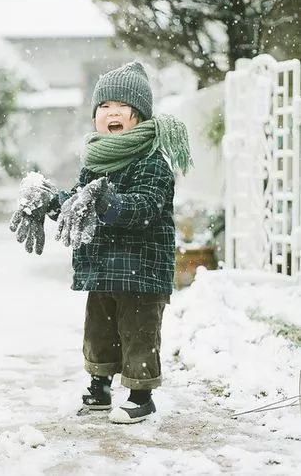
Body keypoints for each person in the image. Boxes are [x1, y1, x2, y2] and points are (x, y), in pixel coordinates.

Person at [10, 61, 192, 423]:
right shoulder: (95, 163)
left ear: (139, 116)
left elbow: (144, 209)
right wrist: (50, 200)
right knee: (99, 331)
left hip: (141, 270)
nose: (112, 113)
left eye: (122, 107)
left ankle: (141, 394)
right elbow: (79, 201)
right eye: (104, 107)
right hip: (102, 266)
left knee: (139, 333)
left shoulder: (152, 162)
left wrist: (109, 202)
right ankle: (100, 386)